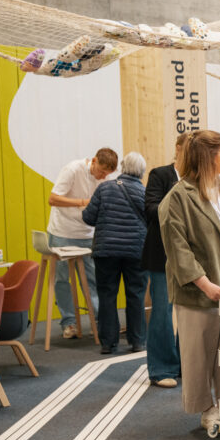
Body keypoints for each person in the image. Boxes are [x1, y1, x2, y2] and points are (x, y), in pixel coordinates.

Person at [159, 130, 220, 436]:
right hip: (200, 288)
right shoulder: (177, 199)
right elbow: (178, 249)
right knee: (200, 353)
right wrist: (204, 283)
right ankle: (207, 408)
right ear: (207, 156)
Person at [46, 148, 118, 339]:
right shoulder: (73, 170)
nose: (102, 176)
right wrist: (82, 202)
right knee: (62, 280)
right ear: (93, 161)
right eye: (100, 171)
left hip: (88, 232)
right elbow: (52, 199)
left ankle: (100, 321)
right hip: (62, 230)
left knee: (94, 278)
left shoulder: (107, 179)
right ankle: (69, 323)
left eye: (106, 174)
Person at [82, 152, 148, 356]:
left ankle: (108, 344)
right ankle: (137, 341)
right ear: (142, 172)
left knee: (107, 295)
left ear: (122, 167)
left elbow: (88, 217)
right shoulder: (144, 192)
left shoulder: (105, 188)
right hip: (136, 251)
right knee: (135, 294)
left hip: (106, 251)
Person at [141, 135, 187, 388]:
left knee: (191, 313)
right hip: (162, 255)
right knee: (162, 311)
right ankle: (161, 368)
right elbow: (150, 209)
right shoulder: (160, 175)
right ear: (177, 149)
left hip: (191, 255)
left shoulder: (200, 177)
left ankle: (183, 362)